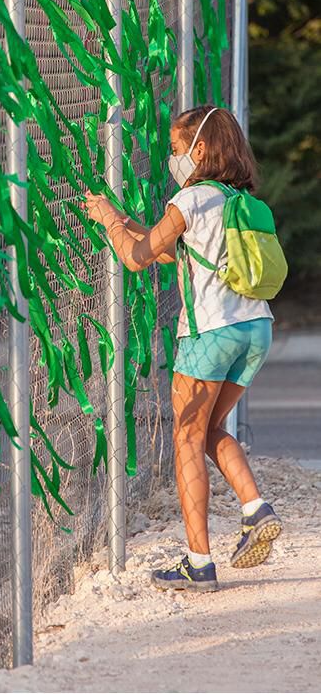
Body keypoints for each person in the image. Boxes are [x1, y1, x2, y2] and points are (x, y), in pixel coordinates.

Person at [83, 104, 282, 592]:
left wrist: (108, 218)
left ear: (200, 149)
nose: (173, 159)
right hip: (254, 330)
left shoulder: (190, 200)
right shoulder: (235, 200)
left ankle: (199, 562)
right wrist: (127, 221)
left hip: (208, 335)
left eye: (176, 149)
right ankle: (256, 510)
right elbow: (170, 249)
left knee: (187, 440)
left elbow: (135, 258)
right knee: (211, 429)